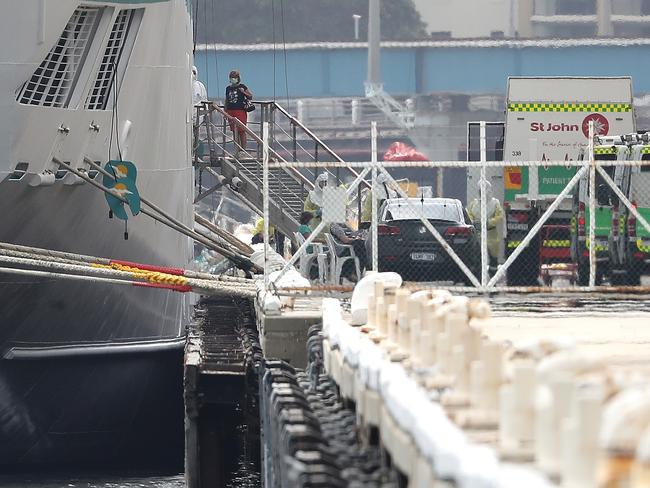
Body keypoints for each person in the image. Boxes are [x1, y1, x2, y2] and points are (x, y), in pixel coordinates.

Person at [467, 181, 504, 268]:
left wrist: (490, 222)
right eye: (481, 190)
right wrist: (474, 222)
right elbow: (469, 214)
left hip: (491, 234)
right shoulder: (474, 204)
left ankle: (493, 276)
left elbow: (500, 216)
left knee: (493, 258)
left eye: (484, 190)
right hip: (478, 234)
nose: (483, 192)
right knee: (477, 257)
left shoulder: (495, 203)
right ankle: (478, 277)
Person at [224, 70, 253, 158]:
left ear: (238, 78)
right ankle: (236, 151)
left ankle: (243, 150)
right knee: (234, 131)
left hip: (240, 110)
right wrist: (225, 112)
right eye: (232, 77)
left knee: (241, 131)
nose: (233, 79)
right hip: (231, 111)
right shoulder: (228, 88)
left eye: (235, 77)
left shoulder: (242, 86)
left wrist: (243, 92)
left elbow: (250, 96)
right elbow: (226, 100)